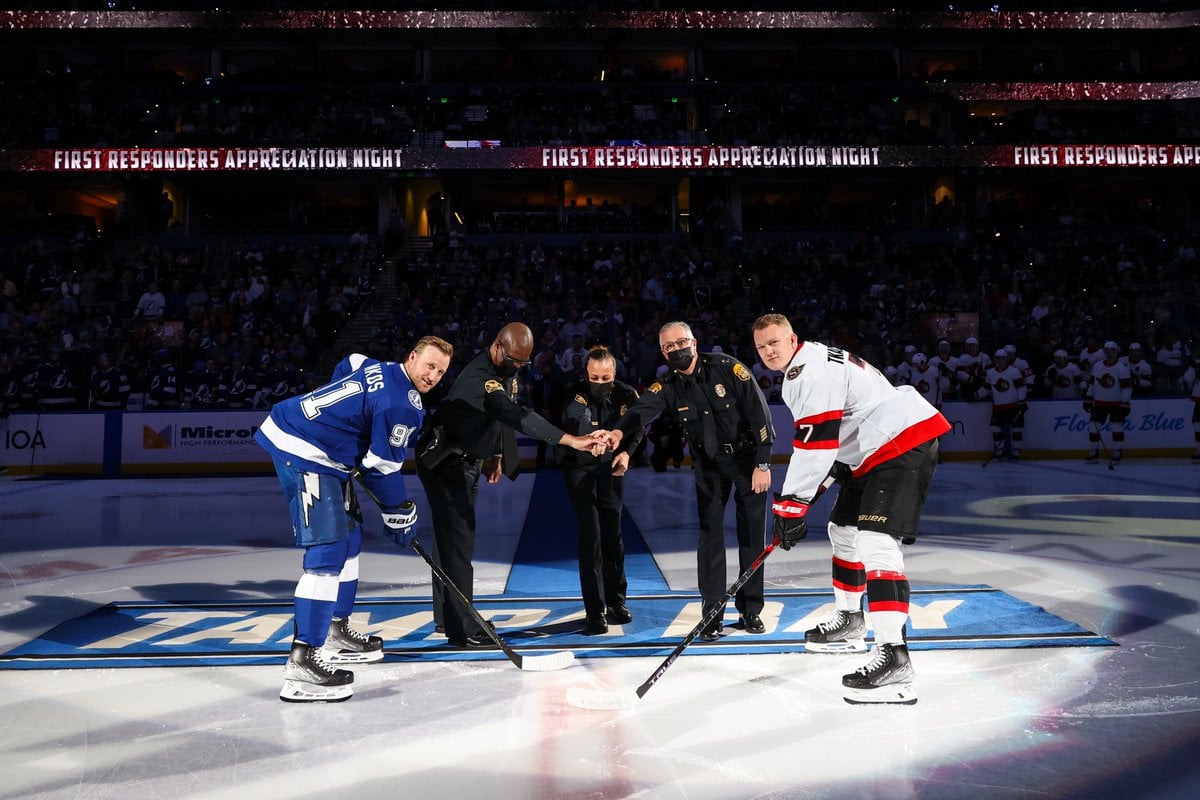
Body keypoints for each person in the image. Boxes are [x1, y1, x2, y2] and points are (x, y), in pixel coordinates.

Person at [751, 313, 949, 705]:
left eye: (775, 342)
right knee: (842, 531)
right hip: (872, 449)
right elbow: (841, 429)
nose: (769, 351)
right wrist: (824, 481)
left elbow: (815, 445)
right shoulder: (813, 361)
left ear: (793, 339)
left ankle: (895, 657)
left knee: (876, 541)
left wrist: (791, 507)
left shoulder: (809, 374)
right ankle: (851, 620)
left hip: (898, 444)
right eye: (761, 346)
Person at [255, 336, 454, 703]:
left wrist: (345, 424)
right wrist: (401, 513)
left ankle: (334, 631)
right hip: (305, 452)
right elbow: (381, 469)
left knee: (349, 540)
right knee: (327, 552)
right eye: (429, 366)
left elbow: (349, 362)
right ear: (412, 357)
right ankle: (303, 661)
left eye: (440, 372)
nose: (433, 376)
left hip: (320, 449)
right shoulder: (404, 405)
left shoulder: (380, 368)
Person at [416, 322, 607, 649]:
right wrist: (570, 440)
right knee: (458, 544)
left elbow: (497, 415)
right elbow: (512, 413)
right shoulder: (479, 378)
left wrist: (496, 454)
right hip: (445, 461)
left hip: (463, 457)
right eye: (514, 361)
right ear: (497, 347)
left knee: (450, 542)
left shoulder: (503, 368)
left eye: (523, 363)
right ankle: (464, 630)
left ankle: (449, 617)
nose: (517, 368)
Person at [603, 320, 775, 642]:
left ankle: (750, 609)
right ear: (663, 352)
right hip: (708, 466)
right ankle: (712, 613)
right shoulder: (667, 385)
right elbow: (642, 410)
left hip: (747, 461)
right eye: (668, 347)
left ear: (694, 342)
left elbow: (759, 413)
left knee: (752, 534)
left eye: (680, 343)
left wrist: (763, 462)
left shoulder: (727, 368)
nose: (676, 350)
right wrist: (617, 432)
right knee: (710, 538)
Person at [560, 346, 643, 634]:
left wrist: (627, 452)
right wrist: (590, 437)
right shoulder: (574, 392)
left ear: (614, 374)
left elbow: (638, 425)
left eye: (605, 377)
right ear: (586, 374)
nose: (599, 382)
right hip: (579, 469)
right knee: (591, 537)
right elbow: (573, 418)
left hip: (612, 469)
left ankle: (616, 602)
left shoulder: (626, 394)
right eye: (594, 377)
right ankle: (595, 610)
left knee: (613, 536)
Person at [1083, 340, 1133, 463]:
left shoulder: (1122, 368)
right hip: (1099, 403)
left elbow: (1127, 388)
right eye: (1107, 349)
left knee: (1116, 427)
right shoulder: (1097, 366)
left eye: (1112, 349)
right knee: (1093, 427)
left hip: (1117, 404)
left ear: (1116, 351)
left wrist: (1124, 403)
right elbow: (1092, 385)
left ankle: (1117, 451)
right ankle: (1094, 451)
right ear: (1104, 351)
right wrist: (1088, 399)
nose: (1110, 352)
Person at [984, 348, 1028, 461]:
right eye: (998, 358)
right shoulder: (990, 372)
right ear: (995, 359)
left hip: (1013, 406)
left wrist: (1021, 402)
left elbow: (1021, 387)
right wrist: (975, 395)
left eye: (1003, 358)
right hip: (998, 407)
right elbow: (987, 388)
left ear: (1006, 359)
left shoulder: (1013, 371)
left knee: (1017, 428)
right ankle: (1000, 451)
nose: (1000, 360)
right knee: (995, 428)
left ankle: (1016, 452)